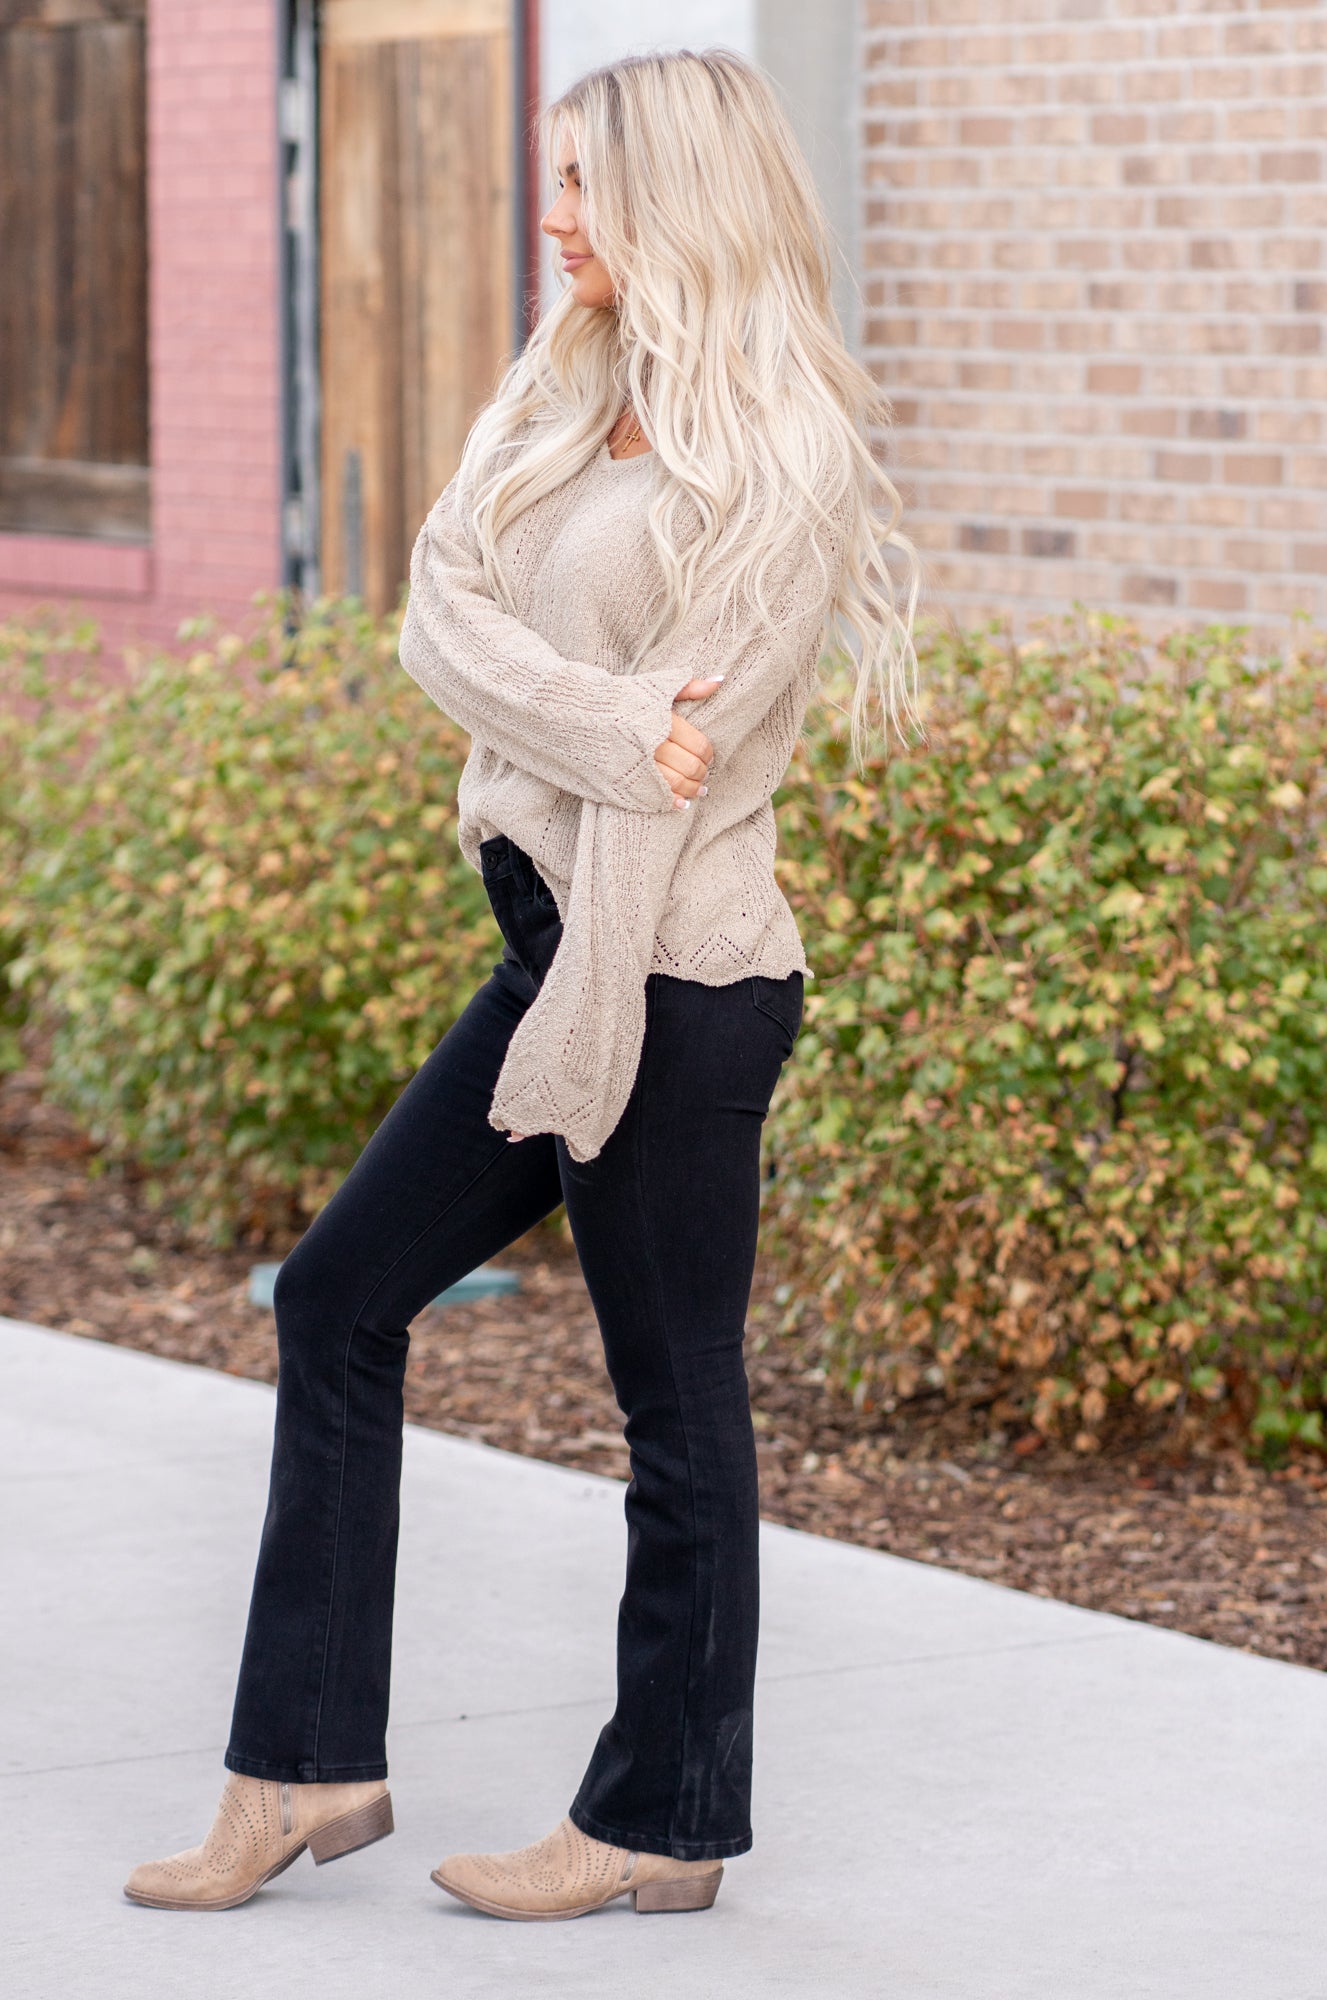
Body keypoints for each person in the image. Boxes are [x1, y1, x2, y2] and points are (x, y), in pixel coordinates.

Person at [123, 46, 919, 1922]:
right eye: (554, 181)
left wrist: (599, 974)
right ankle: (302, 1764)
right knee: (337, 1298)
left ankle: (662, 1816)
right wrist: (605, 714)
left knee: (673, 1401)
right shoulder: (566, 387)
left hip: (670, 971)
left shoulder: (782, 453)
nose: (550, 217)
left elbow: (677, 783)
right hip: (552, 944)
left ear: (674, 197)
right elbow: (438, 618)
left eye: (581, 185)